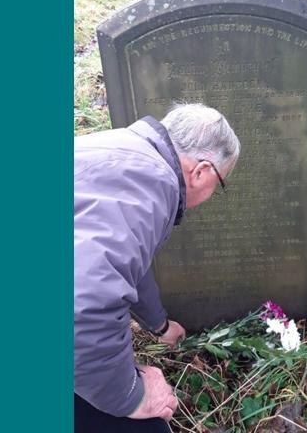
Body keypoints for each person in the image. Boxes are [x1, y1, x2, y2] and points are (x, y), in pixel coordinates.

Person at [74, 103, 240, 433]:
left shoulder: (124, 150)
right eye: (219, 185)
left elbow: (120, 265)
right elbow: (83, 305)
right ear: (201, 172)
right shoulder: (152, 185)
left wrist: (159, 324)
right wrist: (131, 398)